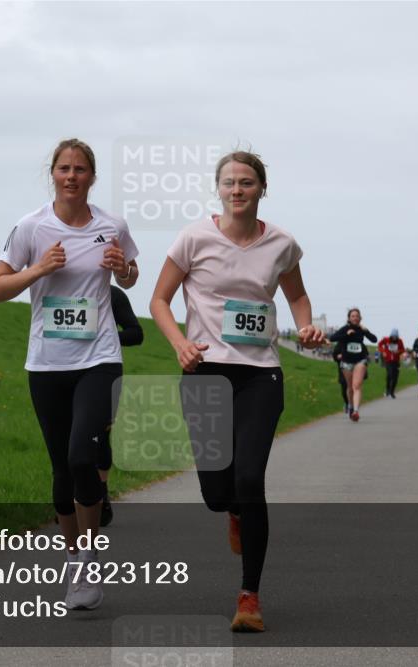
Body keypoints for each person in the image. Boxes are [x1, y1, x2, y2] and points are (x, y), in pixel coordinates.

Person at [149, 150, 324, 633]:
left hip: (259, 373)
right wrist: (180, 344)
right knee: (216, 491)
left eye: (246, 182)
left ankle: (250, 595)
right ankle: (230, 511)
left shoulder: (282, 244)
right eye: (229, 182)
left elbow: (297, 297)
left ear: (261, 189)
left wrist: (305, 326)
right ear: (218, 189)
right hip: (205, 372)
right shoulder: (194, 237)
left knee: (250, 480)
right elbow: (159, 298)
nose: (237, 190)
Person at [0, 138, 139, 611]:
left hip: (99, 358)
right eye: (63, 168)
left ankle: (90, 558)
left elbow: (131, 274)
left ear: (92, 177)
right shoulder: (31, 227)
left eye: (80, 169)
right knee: (59, 469)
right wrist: (37, 269)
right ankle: (75, 562)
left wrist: (124, 269)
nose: (71, 176)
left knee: (81, 456)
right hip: (47, 363)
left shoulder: (112, 225)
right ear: (52, 174)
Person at [97, 285, 144, 527]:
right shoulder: (58, 290)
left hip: (104, 373)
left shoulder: (113, 294)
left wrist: (105, 335)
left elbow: (137, 333)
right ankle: (73, 498)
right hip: (61, 371)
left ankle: (101, 491)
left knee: (99, 435)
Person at [328, 308, 377, 422]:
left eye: (357, 316)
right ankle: (350, 406)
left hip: (360, 360)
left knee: (357, 386)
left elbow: (374, 340)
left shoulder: (362, 329)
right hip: (346, 362)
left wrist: (366, 331)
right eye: (353, 316)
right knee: (350, 388)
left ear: (360, 318)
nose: (355, 318)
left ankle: (355, 411)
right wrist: (346, 334)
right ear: (349, 318)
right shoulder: (345, 329)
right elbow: (332, 338)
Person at [377, 328, 405, 399]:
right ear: (391, 335)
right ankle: (387, 390)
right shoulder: (386, 339)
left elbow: (403, 349)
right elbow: (379, 345)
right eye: (393, 336)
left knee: (395, 377)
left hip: (396, 361)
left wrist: (398, 351)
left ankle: (392, 392)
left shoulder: (400, 341)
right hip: (388, 360)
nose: (394, 338)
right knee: (390, 375)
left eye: (396, 336)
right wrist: (383, 351)